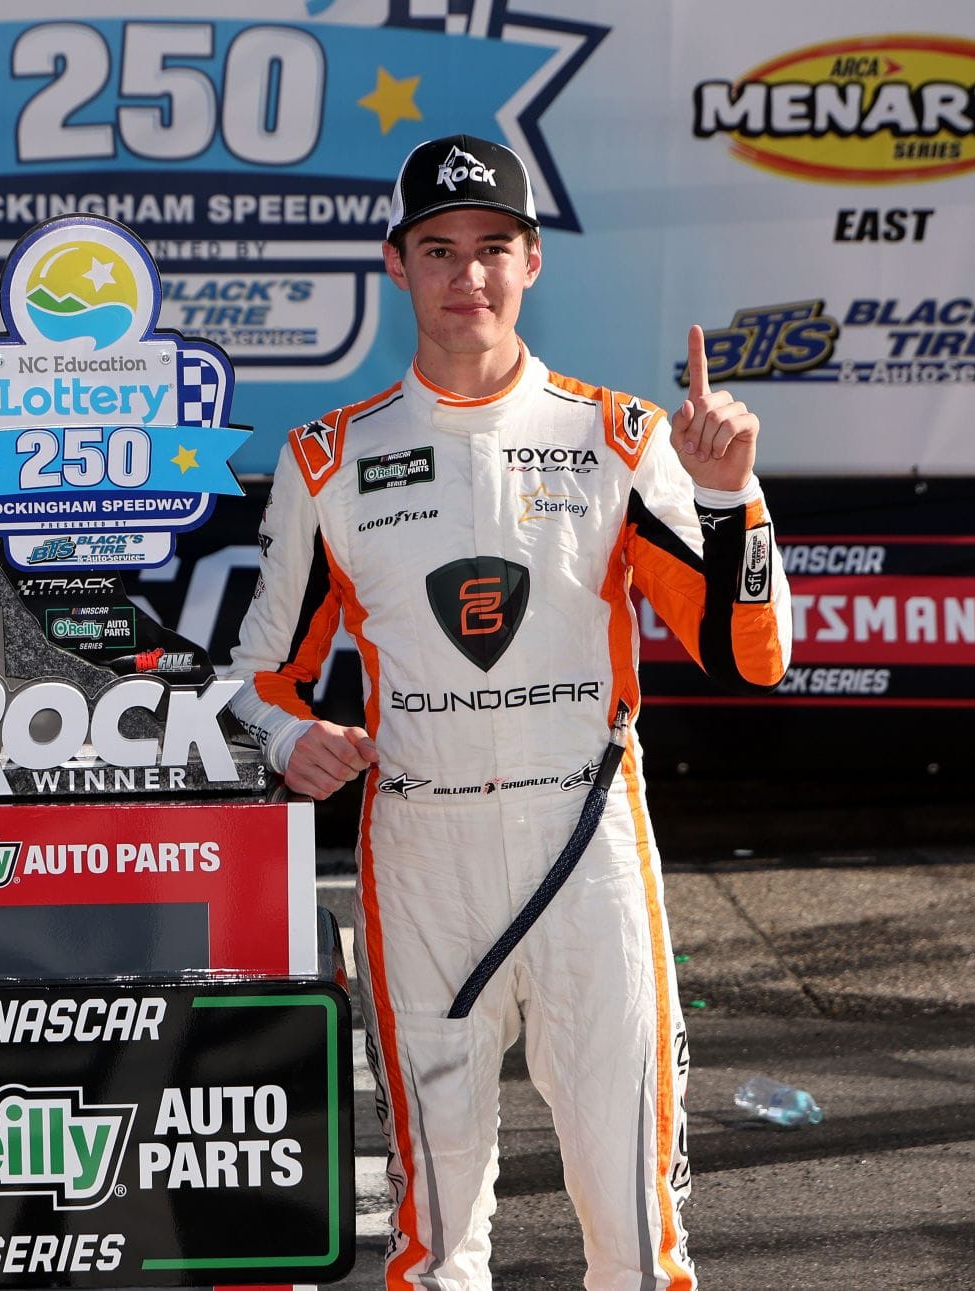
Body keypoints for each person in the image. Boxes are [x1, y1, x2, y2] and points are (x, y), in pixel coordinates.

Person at [222, 134, 792, 1290]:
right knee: (436, 1233)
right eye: (439, 250)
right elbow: (256, 678)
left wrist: (731, 496)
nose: (466, 276)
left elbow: (749, 657)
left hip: (587, 845)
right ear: (397, 264)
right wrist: (291, 737)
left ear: (532, 261)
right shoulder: (327, 457)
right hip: (419, 848)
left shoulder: (625, 437)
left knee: (634, 1220)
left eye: (491, 249)